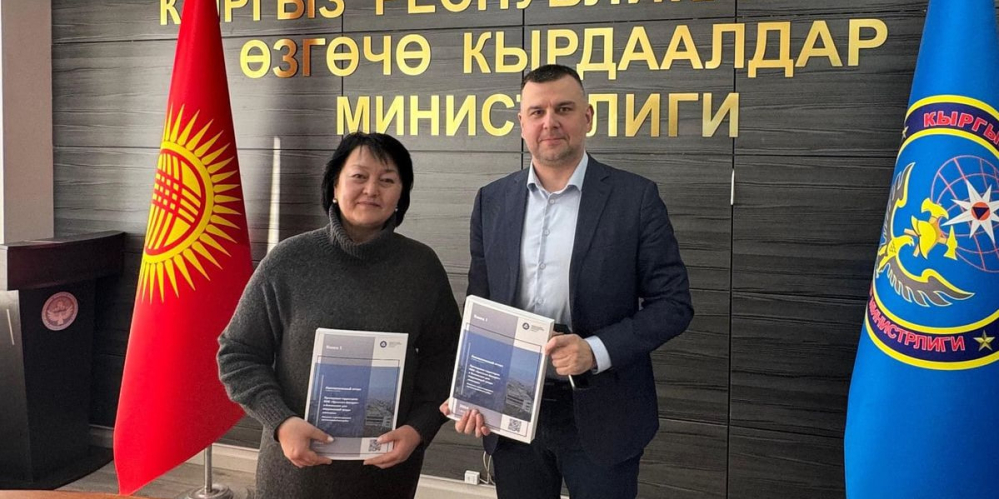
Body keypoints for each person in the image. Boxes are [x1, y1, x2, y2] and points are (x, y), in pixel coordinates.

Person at [441, 64, 694, 499]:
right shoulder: (491, 201)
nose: (549, 122)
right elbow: (481, 304)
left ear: (587, 117)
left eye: (563, 109)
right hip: (512, 413)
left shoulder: (635, 198)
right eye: (536, 112)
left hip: (604, 412)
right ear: (521, 123)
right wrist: (473, 391)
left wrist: (594, 351)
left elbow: (673, 305)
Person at [217, 132, 461, 499]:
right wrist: (281, 422)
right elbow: (237, 354)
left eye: (387, 180)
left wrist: (419, 428)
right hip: (296, 474)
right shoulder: (288, 261)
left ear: (401, 195)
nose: (371, 189)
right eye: (359, 176)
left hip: (386, 474)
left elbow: (446, 359)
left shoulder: (421, 267)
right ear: (334, 186)